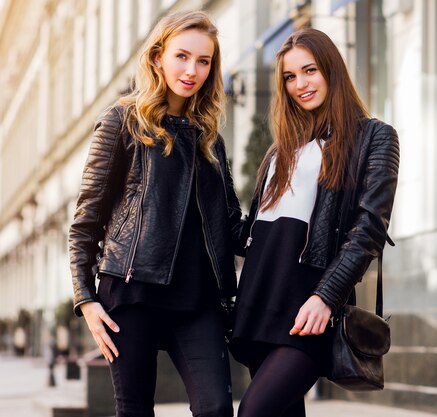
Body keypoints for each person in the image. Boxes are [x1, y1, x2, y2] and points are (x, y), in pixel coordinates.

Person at [68, 10, 240, 417]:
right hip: (131, 292)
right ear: (158, 56)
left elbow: (230, 224)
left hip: (198, 298)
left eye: (204, 61)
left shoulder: (209, 138)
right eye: (182, 56)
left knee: (216, 407)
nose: (192, 70)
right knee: (135, 409)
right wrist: (86, 300)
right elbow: (85, 222)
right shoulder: (121, 121)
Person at [229, 28, 400, 417]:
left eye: (309, 71)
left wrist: (327, 296)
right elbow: (253, 233)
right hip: (260, 301)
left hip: (310, 305)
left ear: (331, 70)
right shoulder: (279, 151)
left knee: (253, 412)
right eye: (290, 77)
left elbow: (369, 229)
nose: (300, 84)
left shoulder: (373, 138)